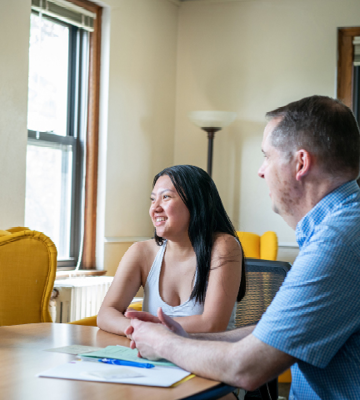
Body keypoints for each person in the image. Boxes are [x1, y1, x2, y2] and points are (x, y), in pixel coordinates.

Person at [126, 95, 360, 399]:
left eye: (267, 156)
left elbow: (245, 368)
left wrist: (161, 343)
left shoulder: (339, 240)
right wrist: (184, 336)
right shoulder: (342, 227)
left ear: (301, 163)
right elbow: (272, 335)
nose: (261, 171)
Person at [97, 165, 246, 336]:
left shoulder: (224, 246)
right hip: (157, 358)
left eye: (166, 197)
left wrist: (150, 326)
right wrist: (136, 329)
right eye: (153, 200)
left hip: (209, 357)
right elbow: (106, 314)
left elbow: (212, 324)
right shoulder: (141, 252)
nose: (155, 208)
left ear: (196, 203)